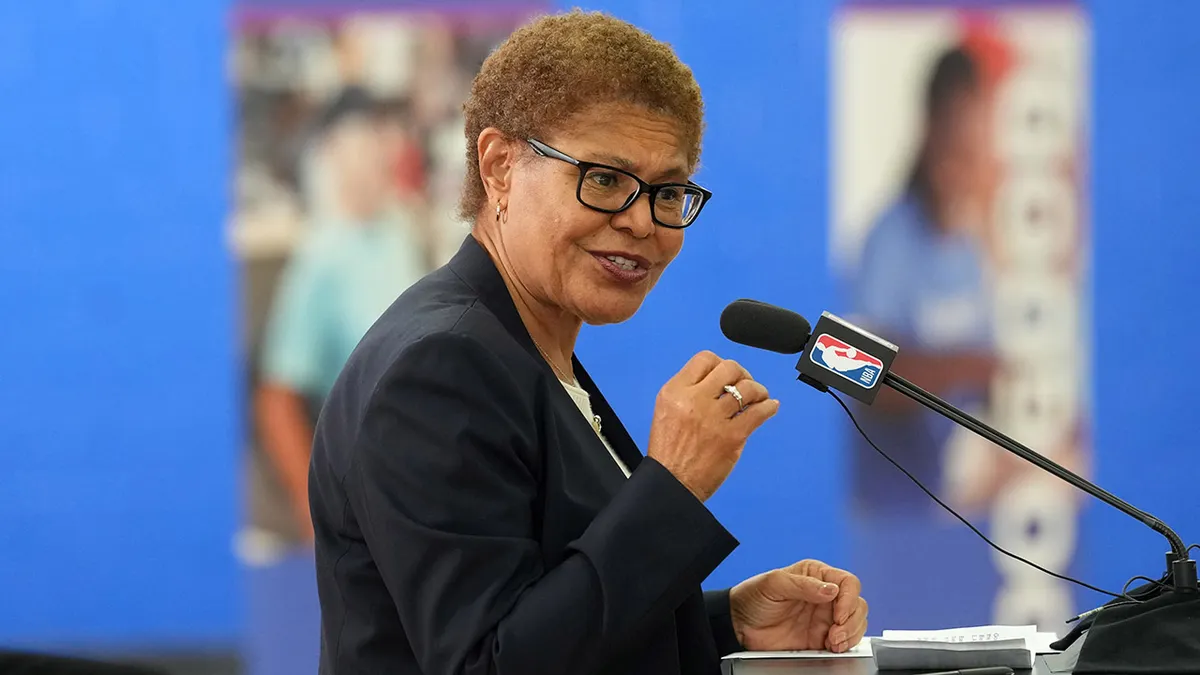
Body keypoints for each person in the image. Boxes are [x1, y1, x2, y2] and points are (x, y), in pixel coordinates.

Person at [309, 11, 869, 675]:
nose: (641, 222)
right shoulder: (441, 368)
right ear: (499, 167)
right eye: (604, 179)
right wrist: (673, 486)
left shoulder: (522, 350)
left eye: (667, 192)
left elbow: (547, 612)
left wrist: (727, 622)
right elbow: (489, 664)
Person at [256, 86, 428, 544]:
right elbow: (277, 399)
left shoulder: (401, 232)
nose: (375, 157)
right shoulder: (322, 257)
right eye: (361, 146)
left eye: (379, 142)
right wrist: (313, 512)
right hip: (362, 490)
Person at [846, 45, 1003, 516]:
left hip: (953, 504)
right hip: (886, 507)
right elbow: (853, 370)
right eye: (955, 136)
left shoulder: (971, 246)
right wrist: (968, 368)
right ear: (930, 128)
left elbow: (989, 383)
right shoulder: (888, 240)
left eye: (977, 140)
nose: (965, 156)